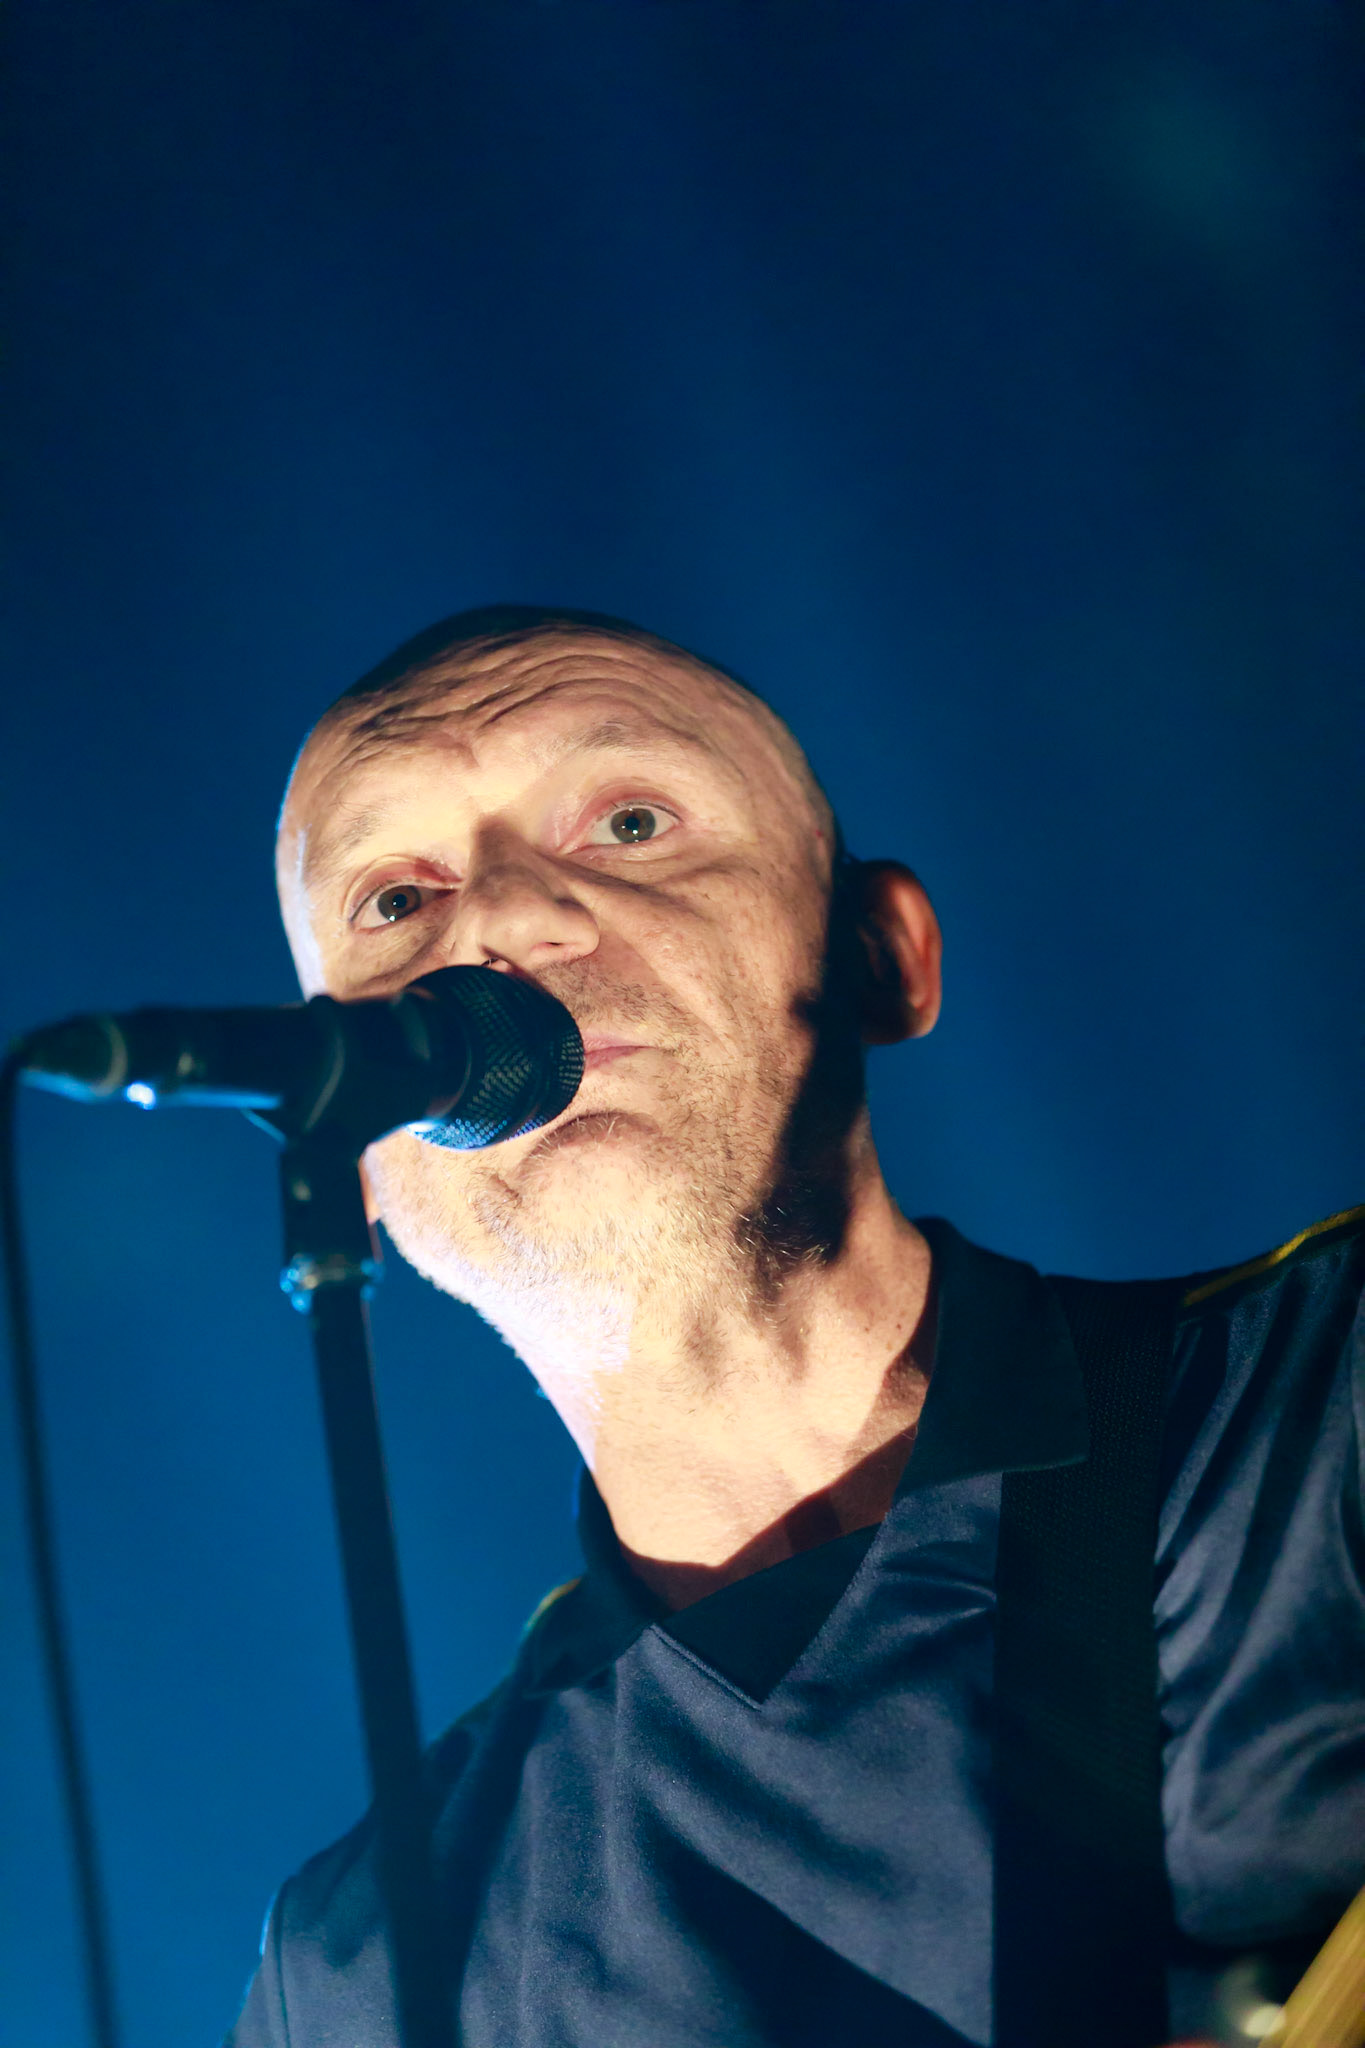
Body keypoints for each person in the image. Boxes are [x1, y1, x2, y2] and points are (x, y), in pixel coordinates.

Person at [227, 605, 1364, 2048]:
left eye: (629, 820)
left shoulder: (1331, 1412)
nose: (498, 923)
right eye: (393, 903)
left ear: (881, 956)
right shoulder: (362, 1975)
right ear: (350, 1147)